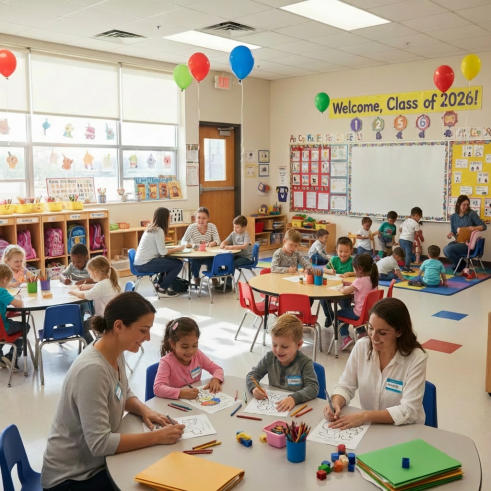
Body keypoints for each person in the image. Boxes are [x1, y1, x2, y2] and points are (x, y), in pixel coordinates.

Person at [41, 292, 185, 491]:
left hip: (95, 463)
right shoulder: (92, 370)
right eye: (143, 330)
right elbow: (100, 443)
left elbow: (123, 392)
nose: (148, 337)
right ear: (118, 326)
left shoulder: (114, 351)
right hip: (73, 478)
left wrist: (145, 410)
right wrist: (157, 437)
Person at [324, 298, 427, 430]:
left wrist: (365, 416)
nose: (373, 337)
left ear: (399, 332)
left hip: (405, 429)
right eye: (370, 328)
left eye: (382, 333)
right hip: (371, 428)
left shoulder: (416, 358)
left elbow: (409, 411)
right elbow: (345, 385)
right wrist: (336, 403)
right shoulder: (362, 346)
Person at [246, 314, 319, 412]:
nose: (278, 350)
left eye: (284, 347)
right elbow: (252, 375)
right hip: (273, 407)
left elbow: (313, 388)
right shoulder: (270, 357)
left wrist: (293, 398)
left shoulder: (304, 362)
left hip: (295, 409)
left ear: (298, 344)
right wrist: (254, 388)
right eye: (274, 344)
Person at [154, 317, 224, 399]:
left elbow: (217, 369)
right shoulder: (166, 362)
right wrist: (181, 393)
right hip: (175, 404)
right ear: (172, 343)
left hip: (194, 402)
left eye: (195, 345)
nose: (190, 351)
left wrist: (215, 380)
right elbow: (158, 388)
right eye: (185, 347)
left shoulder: (198, 355)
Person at [68, 256, 121, 345]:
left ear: (95, 272)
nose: (90, 275)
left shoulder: (101, 286)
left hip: (104, 320)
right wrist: (88, 286)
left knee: (81, 326)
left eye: (90, 273)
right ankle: (95, 346)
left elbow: (86, 295)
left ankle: (92, 347)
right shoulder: (110, 281)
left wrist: (73, 292)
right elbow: (99, 288)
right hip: (113, 317)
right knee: (87, 322)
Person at [134, 207, 184, 297]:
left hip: (140, 264)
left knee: (168, 262)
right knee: (178, 263)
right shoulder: (158, 230)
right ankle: (163, 289)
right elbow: (163, 252)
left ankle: (159, 285)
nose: (170, 219)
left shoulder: (151, 228)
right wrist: (178, 249)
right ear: (165, 218)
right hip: (144, 264)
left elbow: (160, 250)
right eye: (169, 217)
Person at [336, 254, 379, 351]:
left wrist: (342, 287)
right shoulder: (373, 279)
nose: (354, 271)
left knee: (338, 313)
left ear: (359, 269)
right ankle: (362, 333)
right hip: (370, 313)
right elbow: (362, 287)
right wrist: (352, 284)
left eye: (354, 269)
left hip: (359, 314)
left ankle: (345, 338)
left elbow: (345, 291)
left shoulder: (359, 281)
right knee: (351, 310)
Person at [443, 195, 487, 272]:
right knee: (447, 248)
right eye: (464, 204)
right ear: (458, 204)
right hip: (459, 242)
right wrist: (451, 234)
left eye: (467, 204)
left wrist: (474, 228)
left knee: (447, 249)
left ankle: (461, 265)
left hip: (469, 244)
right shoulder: (453, 217)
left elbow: (484, 226)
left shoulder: (471, 214)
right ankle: (462, 264)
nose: (466, 206)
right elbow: (453, 231)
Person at [0, 264, 30, 372]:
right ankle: (12, 355)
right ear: (5, 279)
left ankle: (0, 357)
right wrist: (18, 299)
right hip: (3, 329)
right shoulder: (2, 291)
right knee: (25, 326)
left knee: (10, 321)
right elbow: (19, 305)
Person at [320, 237, 355, 328]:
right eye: (340, 251)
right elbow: (324, 269)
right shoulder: (334, 260)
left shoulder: (353, 261)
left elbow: (357, 272)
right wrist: (329, 271)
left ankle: (343, 325)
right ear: (336, 251)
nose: (343, 254)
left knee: (344, 304)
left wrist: (348, 274)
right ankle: (329, 315)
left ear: (351, 251)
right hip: (332, 287)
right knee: (323, 299)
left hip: (346, 290)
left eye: (346, 251)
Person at [182, 207, 221, 287]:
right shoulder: (191, 227)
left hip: (208, 253)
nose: (201, 220)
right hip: (196, 254)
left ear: (208, 219)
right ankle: (196, 277)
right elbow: (183, 241)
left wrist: (213, 243)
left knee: (212, 260)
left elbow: (218, 240)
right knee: (195, 261)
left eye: (204, 218)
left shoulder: (212, 227)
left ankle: (213, 276)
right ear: (196, 218)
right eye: (199, 218)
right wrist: (191, 245)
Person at [220, 215, 253, 288]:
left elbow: (244, 246)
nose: (235, 229)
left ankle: (228, 284)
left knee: (233, 263)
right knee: (227, 260)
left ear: (243, 227)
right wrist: (223, 244)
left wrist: (232, 247)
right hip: (237, 255)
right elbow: (225, 241)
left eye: (237, 227)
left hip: (246, 257)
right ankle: (225, 276)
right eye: (234, 227)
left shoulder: (246, 235)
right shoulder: (233, 233)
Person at [399, 207, 423, 272]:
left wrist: (404, 232)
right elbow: (417, 234)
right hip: (408, 240)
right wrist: (420, 233)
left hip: (401, 239)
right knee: (408, 253)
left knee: (402, 253)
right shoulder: (416, 223)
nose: (419, 219)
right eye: (419, 217)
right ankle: (406, 267)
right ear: (416, 216)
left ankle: (401, 266)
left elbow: (400, 229)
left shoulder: (406, 220)